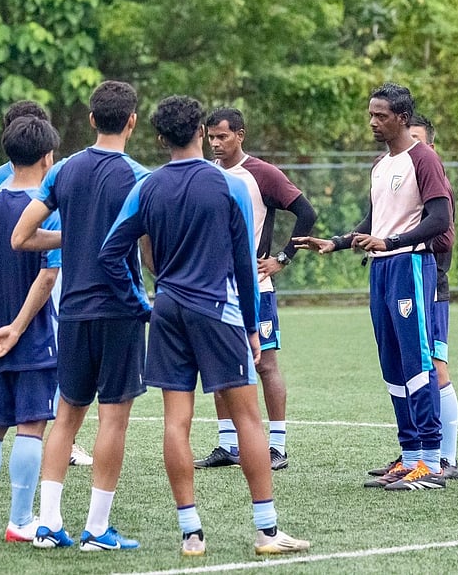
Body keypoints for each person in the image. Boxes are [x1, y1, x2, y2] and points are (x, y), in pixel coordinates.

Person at [101, 95, 310, 557]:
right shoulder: (227, 184)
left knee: (177, 422)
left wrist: (143, 300)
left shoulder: (147, 186)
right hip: (218, 310)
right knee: (247, 419)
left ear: (158, 137)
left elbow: (110, 251)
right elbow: (243, 264)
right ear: (200, 131)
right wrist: (254, 327)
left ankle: (191, 534)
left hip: (169, 310)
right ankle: (267, 531)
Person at [11, 80, 149, 551]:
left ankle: (48, 524)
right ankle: (97, 529)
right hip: (121, 310)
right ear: (131, 120)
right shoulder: (138, 176)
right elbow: (148, 255)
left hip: (72, 311)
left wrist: (73, 240)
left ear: (92, 119)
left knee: (66, 416)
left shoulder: (64, 170)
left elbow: (21, 237)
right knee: (113, 419)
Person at [297, 83, 450, 492]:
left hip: (411, 266)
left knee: (417, 360)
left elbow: (440, 219)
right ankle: (411, 456)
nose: (372, 122)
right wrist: (338, 242)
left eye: (380, 115)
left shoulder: (424, 159)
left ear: (401, 117)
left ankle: (432, 462)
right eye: (370, 114)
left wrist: (394, 242)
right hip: (381, 269)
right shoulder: (381, 165)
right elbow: (375, 221)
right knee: (393, 364)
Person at [196, 107, 317, 472]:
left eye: (223, 136)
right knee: (219, 366)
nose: (216, 144)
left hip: (256, 288)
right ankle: (227, 444)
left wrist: (283, 256)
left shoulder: (261, 174)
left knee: (265, 365)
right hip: (216, 289)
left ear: (240, 135)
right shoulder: (206, 174)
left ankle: (277, 445)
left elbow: (306, 213)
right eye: (211, 137)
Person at [0, 116, 61, 542]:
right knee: (31, 426)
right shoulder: (46, 211)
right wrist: (17, 329)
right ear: (48, 157)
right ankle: (19, 520)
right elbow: (47, 277)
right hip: (33, 336)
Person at [407, 114, 458, 477]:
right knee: (411, 367)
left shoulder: (435, 181)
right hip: (405, 282)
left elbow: (444, 236)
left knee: (435, 367)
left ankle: (445, 458)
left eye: (418, 140)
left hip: (432, 283)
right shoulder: (398, 180)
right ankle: (417, 454)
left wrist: (403, 241)